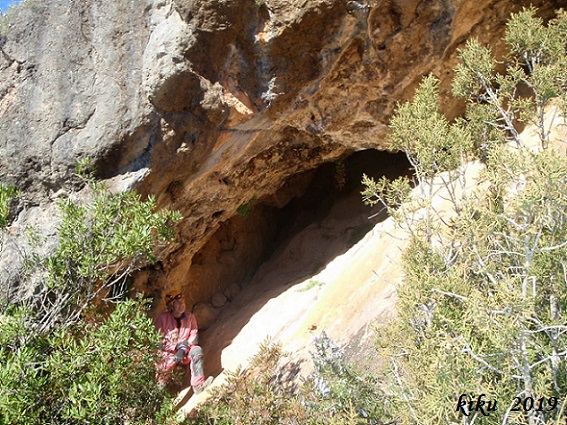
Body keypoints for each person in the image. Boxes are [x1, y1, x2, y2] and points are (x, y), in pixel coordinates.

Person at [155, 290, 213, 394]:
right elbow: (157, 341)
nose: (182, 304)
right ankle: (158, 399)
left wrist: (184, 348)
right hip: (168, 355)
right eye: (178, 302)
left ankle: (198, 385)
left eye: (183, 301)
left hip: (185, 352)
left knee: (197, 351)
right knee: (162, 370)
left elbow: (194, 335)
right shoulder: (162, 320)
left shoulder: (190, 317)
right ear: (171, 305)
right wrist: (174, 349)